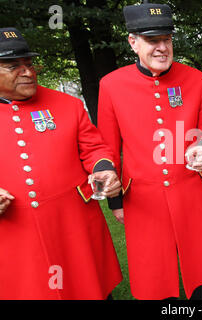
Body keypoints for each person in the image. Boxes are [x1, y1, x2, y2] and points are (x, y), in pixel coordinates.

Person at [97, 2, 202, 300]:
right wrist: (115, 200)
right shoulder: (111, 85)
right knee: (154, 272)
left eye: (166, 40)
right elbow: (107, 145)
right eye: (153, 40)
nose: (162, 47)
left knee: (200, 268)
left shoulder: (196, 78)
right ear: (133, 42)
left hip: (191, 190)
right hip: (142, 198)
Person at [0, 27, 123, 299]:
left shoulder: (67, 104)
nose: (28, 72)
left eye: (29, 64)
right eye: (13, 66)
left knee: (91, 288)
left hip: (74, 230)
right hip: (16, 240)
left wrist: (104, 169)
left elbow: (94, 148)